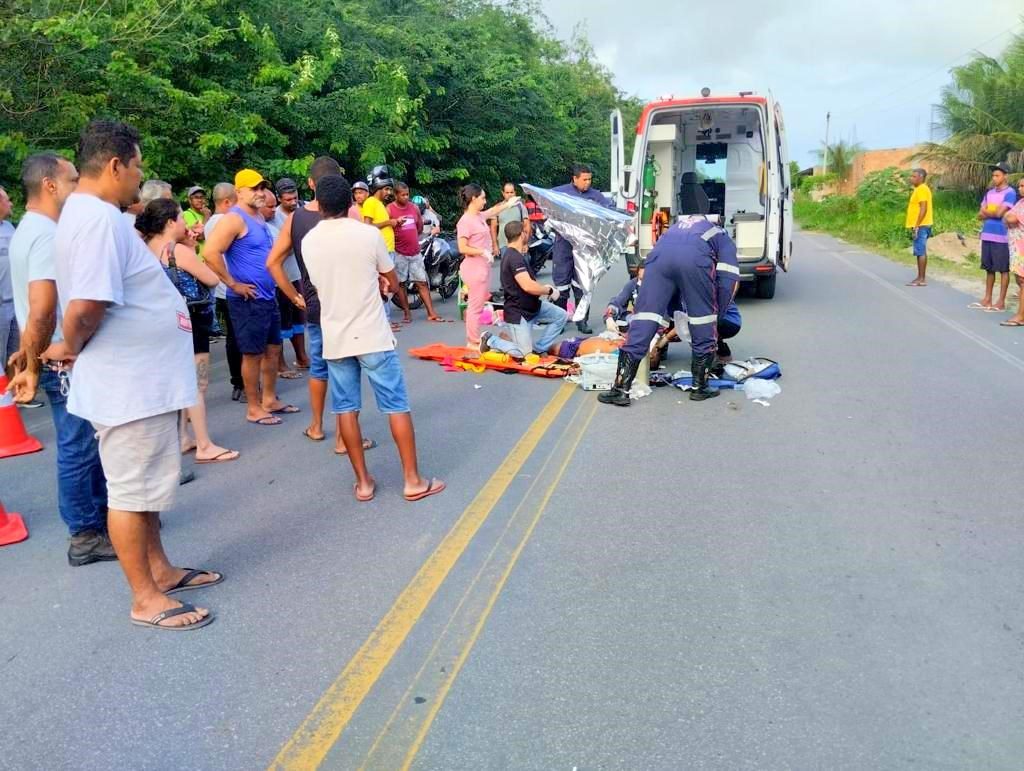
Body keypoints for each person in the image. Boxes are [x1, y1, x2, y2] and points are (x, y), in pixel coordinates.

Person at [41, 118, 220, 631]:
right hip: (129, 385)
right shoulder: (95, 219)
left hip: (145, 381)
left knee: (146, 490)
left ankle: (160, 571)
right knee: (130, 493)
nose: (139, 179)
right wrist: (69, 344)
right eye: (137, 168)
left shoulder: (101, 216)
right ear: (115, 164)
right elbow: (86, 304)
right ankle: (144, 596)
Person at [300, 174, 445, 503]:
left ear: (319, 204)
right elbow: (392, 283)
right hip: (372, 335)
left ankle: (363, 483)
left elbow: (324, 285)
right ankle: (412, 480)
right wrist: (381, 284)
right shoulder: (367, 235)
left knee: (346, 409)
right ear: (352, 202)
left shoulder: (309, 242)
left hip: (335, 336)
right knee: (396, 406)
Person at [6, 152, 116, 566]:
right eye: (72, 181)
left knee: (85, 441)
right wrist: (35, 363)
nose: (78, 188)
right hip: (60, 358)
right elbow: (40, 307)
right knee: (78, 445)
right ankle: (86, 534)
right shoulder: (45, 235)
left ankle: (105, 519)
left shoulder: (30, 230)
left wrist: (28, 356)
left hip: (51, 354)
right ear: (50, 185)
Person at [267, 156, 378, 456]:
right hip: (349, 307)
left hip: (315, 306)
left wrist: (294, 295)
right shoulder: (351, 214)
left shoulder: (296, 218)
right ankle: (345, 438)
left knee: (319, 368)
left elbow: (272, 262)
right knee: (347, 370)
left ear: (312, 184)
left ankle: (316, 426)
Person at [599, 215, 740, 406]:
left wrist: (663, 329)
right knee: (702, 320)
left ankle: (619, 389)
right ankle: (700, 387)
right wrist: (716, 315)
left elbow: (669, 300)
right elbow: (728, 279)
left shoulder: (675, 229)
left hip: (657, 260)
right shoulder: (721, 236)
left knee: (644, 318)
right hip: (695, 260)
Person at [137, 198, 238, 465]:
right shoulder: (178, 252)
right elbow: (211, 278)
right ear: (170, 223)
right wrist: (191, 249)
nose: (186, 223)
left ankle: (182, 437)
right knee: (197, 385)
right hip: (191, 322)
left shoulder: (145, 248)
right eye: (181, 218)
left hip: (162, 322)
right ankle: (204, 444)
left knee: (181, 383)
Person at [204, 168, 299, 426]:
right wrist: (234, 284)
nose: (259, 193)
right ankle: (254, 407)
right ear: (239, 192)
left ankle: (269, 399)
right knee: (252, 354)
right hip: (248, 299)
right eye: (254, 188)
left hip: (268, 295)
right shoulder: (234, 219)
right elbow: (211, 253)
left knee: (273, 349)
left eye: (261, 188)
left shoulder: (258, 217)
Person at [479, 221, 566, 358]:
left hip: (533, 307)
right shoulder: (513, 257)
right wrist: (548, 291)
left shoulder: (516, 254)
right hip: (519, 313)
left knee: (560, 316)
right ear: (522, 235)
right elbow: (528, 286)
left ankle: (538, 348)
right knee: (522, 353)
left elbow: (529, 283)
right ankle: (491, 340)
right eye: (526, 232)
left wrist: (545, 289)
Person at [456, 183, 521, 349]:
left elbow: (491, 211)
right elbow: (462, 248)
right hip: (474, 267)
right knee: (475, 307)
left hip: (482, 266)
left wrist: (507, 204)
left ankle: (474, 339)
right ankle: (473, 341)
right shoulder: (466, 221)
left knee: (479, 303)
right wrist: (482, 252)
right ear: (473, 198)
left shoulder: (478, 216)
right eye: (483, 198)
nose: (485, 201)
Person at [551, 164, 615, 334]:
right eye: (584, 179)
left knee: (583, 285)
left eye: (590, 179)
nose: (588, 182)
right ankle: (560, 321)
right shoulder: (561, 192)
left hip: (585, 248)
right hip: (563, 245)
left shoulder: (596, 196)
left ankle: (582, 321)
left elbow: (610, 213)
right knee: (561, 286)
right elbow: (543, 198)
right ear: (575, 179)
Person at [207, 182, 245, 400]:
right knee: (241, 339)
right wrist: (233, 282)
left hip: (221, 290)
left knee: (233, 337)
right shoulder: (226, 221)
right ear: (227, 202)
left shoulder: (210, 223)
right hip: (233, 287)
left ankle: (237, 382)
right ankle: (243, 382)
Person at [389, 182, 443, 322]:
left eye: (407, 194)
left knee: (422, 282)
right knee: (401, 284)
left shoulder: (414, 208)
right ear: (395, 195)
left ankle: (431, 313)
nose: (406, 197)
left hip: (415, 252)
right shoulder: (389, 210)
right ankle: (407, 313)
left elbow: (419, 228)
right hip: (399, 252)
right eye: (403, 195)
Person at [970, 163, 1018, 312]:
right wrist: (992, 211)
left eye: (997, 175)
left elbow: (1000, 213)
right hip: (987, 234)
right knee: (989, 269)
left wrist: (988, 211)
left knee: (1003, 269)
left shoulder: (1010, 193)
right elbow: (979, 215)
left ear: (1005, 176)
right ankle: (987, 299)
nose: (994, 178)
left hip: (1002, 236)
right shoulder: (989, 193)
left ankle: (1001, 301)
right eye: (993, 175)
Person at [273, 178, 309, 369]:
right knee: (281, 321)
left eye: (295, 198)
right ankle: (281, 364)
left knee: (299, 318)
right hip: (280, 277)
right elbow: (277, 250)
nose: (293, 202)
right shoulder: (274, 216)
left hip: (297, 274)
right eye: (288, 200)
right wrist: (292, 245)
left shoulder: (301, 211)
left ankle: (302, 357)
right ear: (279, 199)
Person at [999, 177, 1024, 327]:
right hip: (1017, 249)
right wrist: (1008, 217)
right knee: (1020, 282)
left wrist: (1008, 217)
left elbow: (1012, 218)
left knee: (1023, 281)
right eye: (1020, 186)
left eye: (1023, 186)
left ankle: (1020, 316)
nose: (1020, 188)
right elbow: (1006, 217)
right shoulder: (1020, 203)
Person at [904, 169, 933, 287]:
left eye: (914, 176)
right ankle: (920, 277)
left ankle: (921, 279)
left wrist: (916, 225)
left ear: (921, 177)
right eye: (911, 176)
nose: (911, 178)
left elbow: (923, 208)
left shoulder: (921, 189)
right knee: (919, 251)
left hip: (921, 225)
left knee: (920, 251)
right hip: (920, 225)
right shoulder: (919, 189)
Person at [0, 184, 17, 367]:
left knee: (14, 358)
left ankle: (12, 396)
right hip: (0, 307)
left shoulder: (9, 228)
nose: (11, 204)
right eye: (7, 200)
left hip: (15, 304)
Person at [492, 182, 529, 252]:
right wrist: (495, 244)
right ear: (503, 193)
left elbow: (526, 225)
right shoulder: (498, 208)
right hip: (503, 244)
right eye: (507, 192)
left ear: (515, 193)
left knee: (518, 263)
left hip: (518, 244)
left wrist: (525, 243)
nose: (509, 195)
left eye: (511, 192)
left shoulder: (521, 206)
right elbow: (493, 227)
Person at [181, 186, 210, 253]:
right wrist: (206, 217)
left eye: (202, 197)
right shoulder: (186, 214)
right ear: (190, 200)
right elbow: (200, 237)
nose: (200, 200)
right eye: (196, 197)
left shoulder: (205, 214)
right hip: (197, 259)